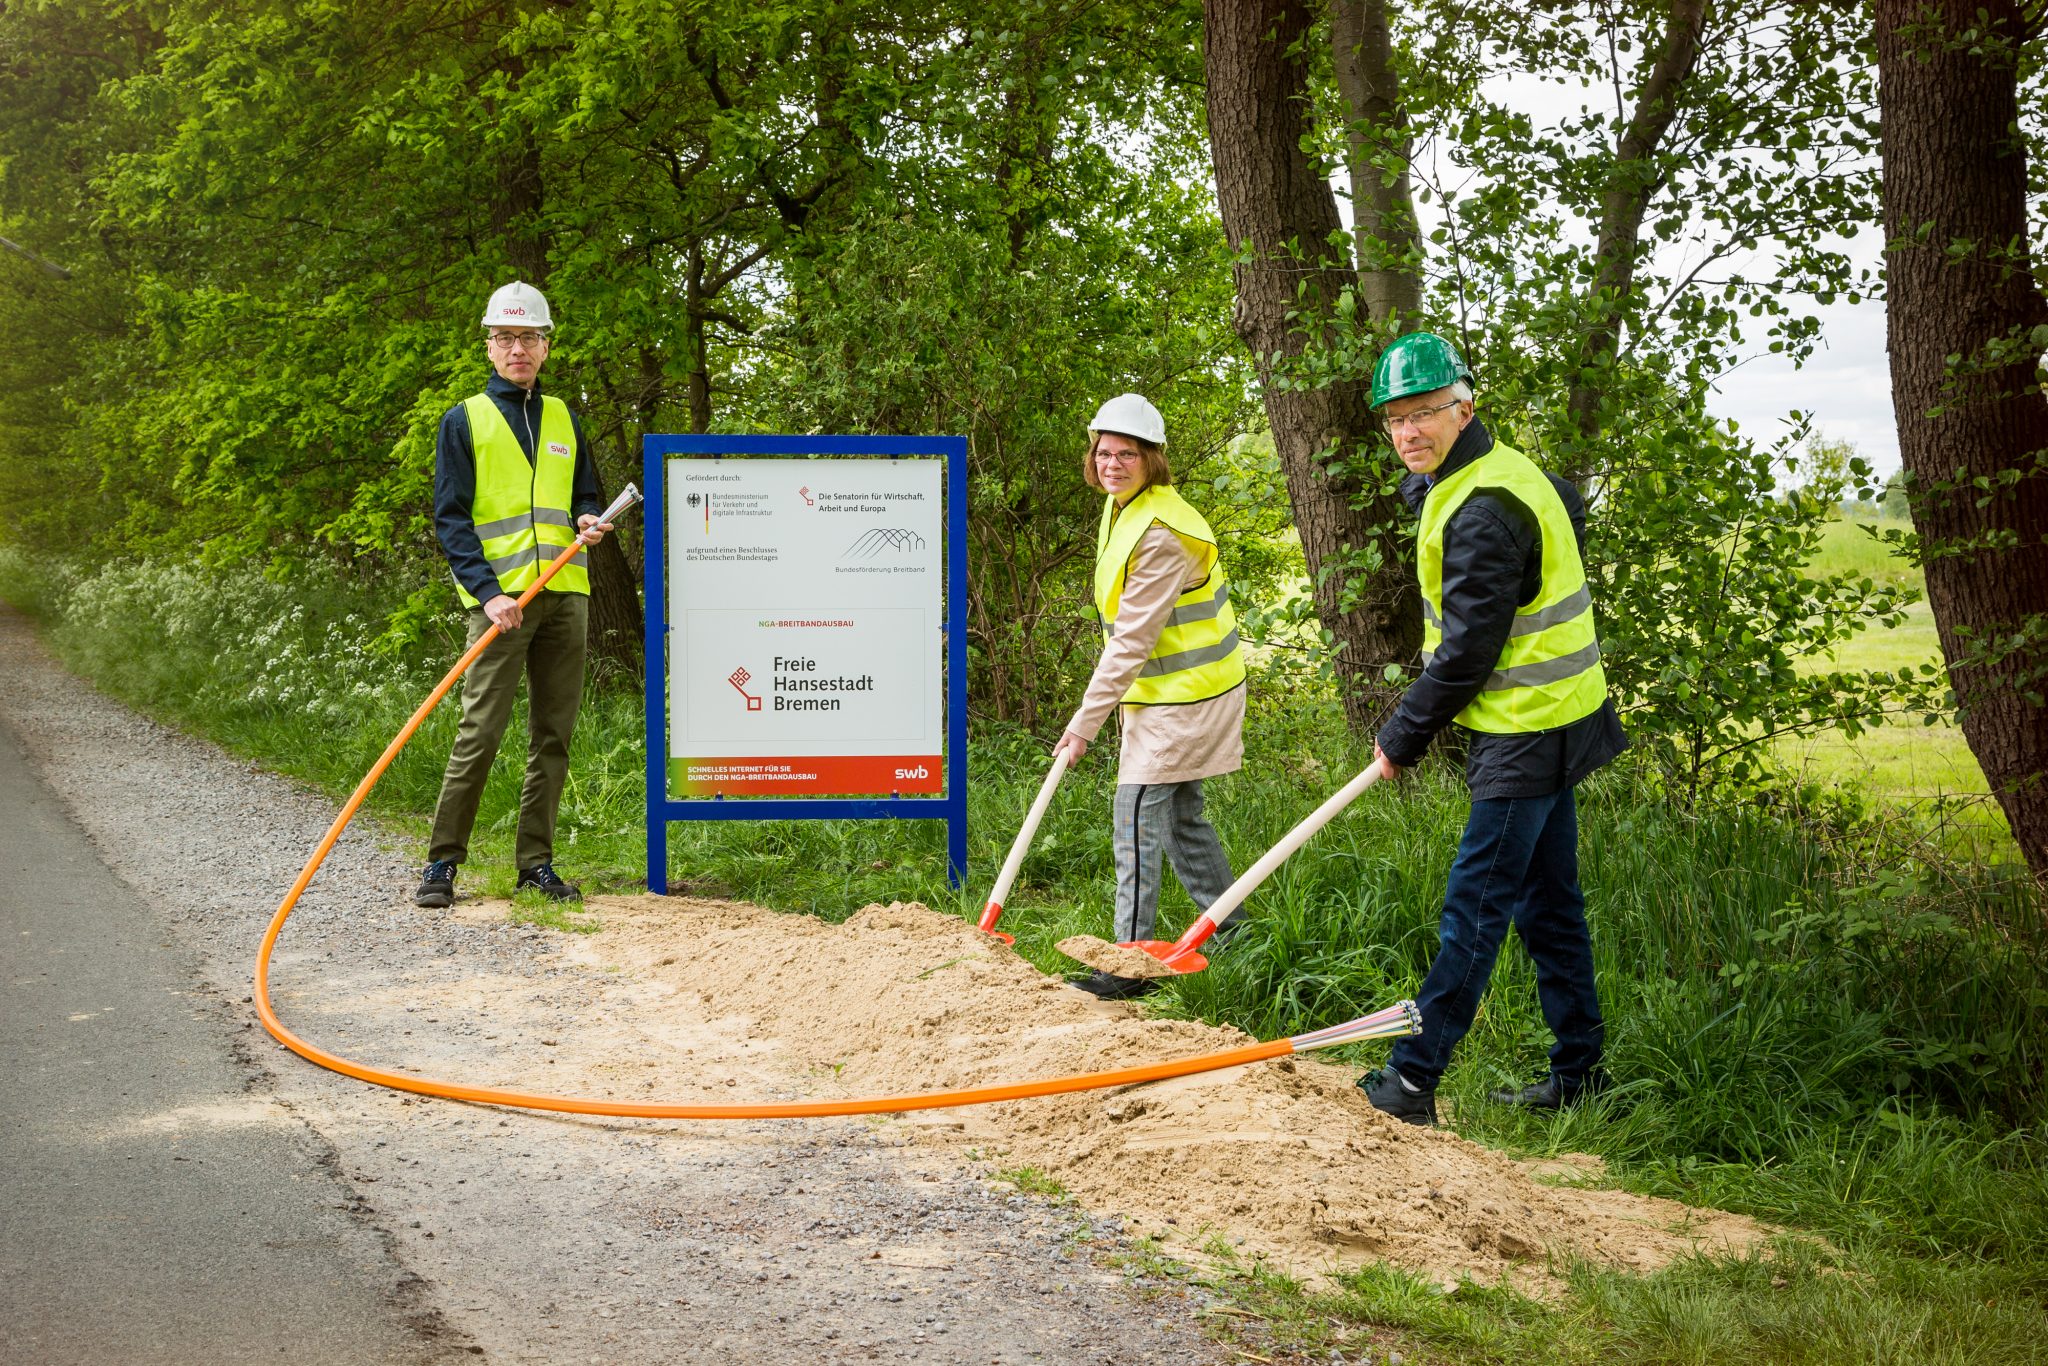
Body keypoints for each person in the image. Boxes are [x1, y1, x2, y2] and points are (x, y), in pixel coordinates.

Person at [1354, 332, 1627, 1125]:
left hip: (1527, 728)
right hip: (1561, 717)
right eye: (1395, 420)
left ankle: (1411, 1081)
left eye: (1426, 414)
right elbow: (1564, 508)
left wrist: (1401, 735)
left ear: (1465, 406)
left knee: (1477, 906)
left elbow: (1469, 653)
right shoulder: (1496, 471)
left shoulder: (1482, 509)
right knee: (1550, 907)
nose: (1408, 433)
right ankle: (1579, 1075)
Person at [413, 281, 615, 909]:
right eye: (505, 337)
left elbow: (586, 493)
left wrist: (588, 520)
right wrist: (489, 594)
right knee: (480, 731)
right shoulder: (463, 419)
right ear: (490, 347)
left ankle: (536, 865)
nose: (517, 348)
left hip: (565, 597)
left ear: (546, 346)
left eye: (528, 336)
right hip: (500, 605)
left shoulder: (564, 419)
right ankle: (442, 864)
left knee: (552, 734)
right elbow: (451, 519)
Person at [1055, 394, 1248, 1000]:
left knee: (1136, 816)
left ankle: (1128, 966)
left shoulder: (1163, 532)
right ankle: (1239, 936)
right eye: (1104, 452)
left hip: (1185, 699)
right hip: (1166, 694)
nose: (1112, 463)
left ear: (1152, 459)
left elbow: (1130, 643)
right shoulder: (1126, 507)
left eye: (1127, 454)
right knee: (1182, 823)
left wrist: (1084, 724)